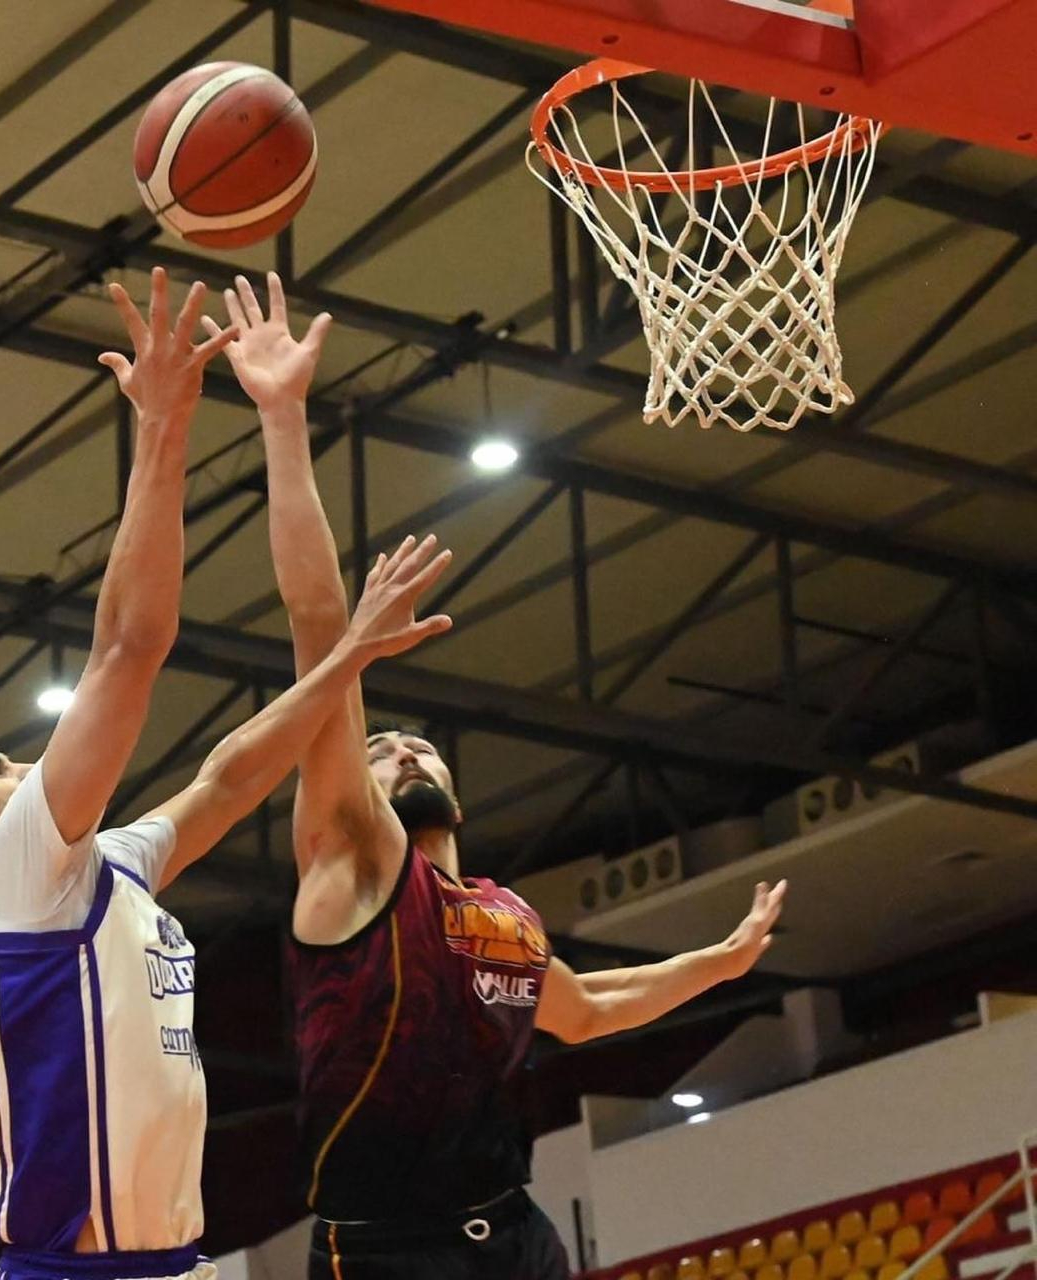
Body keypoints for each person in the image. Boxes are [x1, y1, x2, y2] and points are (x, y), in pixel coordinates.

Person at [208, 271, 788, 1280]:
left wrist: (718, 964)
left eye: (417, 743)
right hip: (388, 1249)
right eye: (380, 745)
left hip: (515, 1232)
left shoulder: (500, 918)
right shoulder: (352, 855)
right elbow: (312, 624)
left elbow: (586, 1007)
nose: (401, 748)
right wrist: (284, 418)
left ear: (457, 794)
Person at [0, 269, 455, 1280]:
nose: (19, 763)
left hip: (176, 1265)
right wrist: (164, 424)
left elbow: (226, 784)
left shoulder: (97, 875)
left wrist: (349, 655)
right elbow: (126, 648)